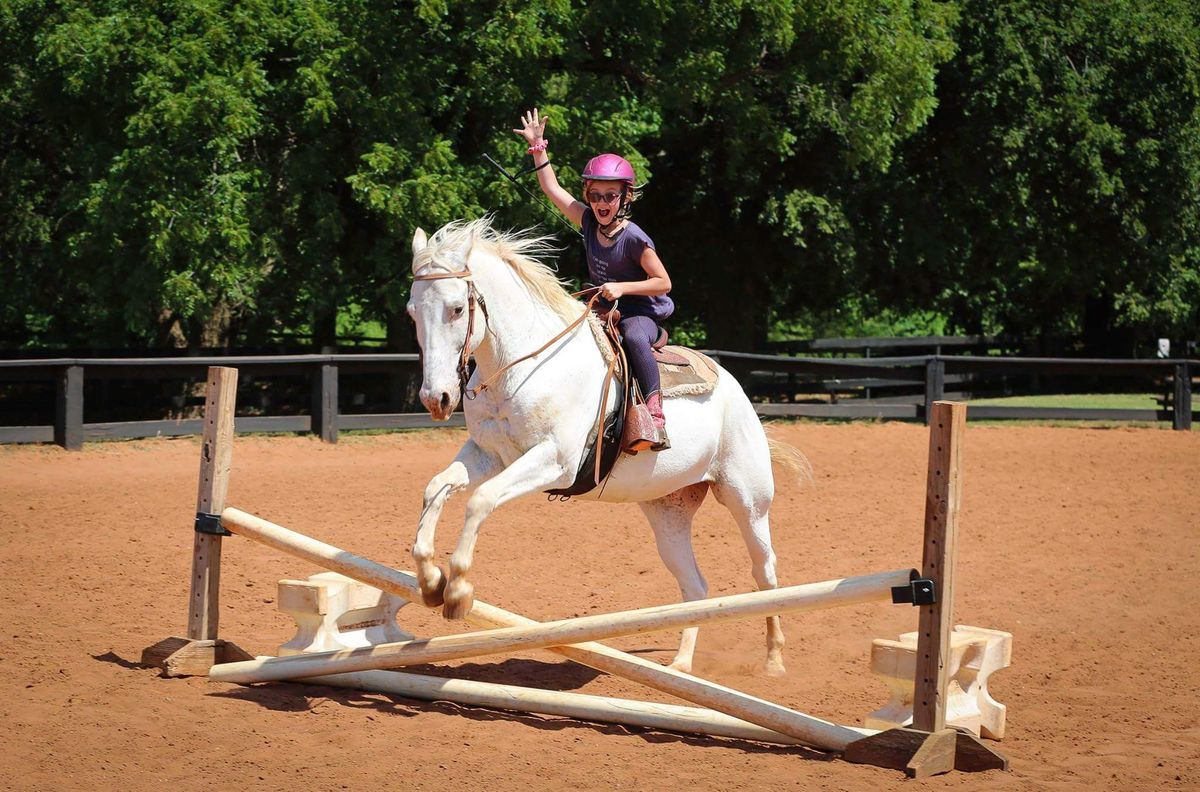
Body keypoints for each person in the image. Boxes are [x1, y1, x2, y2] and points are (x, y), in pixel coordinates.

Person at [513, 108, 673, 451]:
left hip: (640, 315)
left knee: (632, 334)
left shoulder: (635, 238)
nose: (602, 203)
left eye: (610, 196)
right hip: (602, 309)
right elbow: (552, 188)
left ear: (624, 197)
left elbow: (663, 282)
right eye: (596, 195)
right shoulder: (587, 221)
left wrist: (622, 288)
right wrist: (538, 147)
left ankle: (655, 411)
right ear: (588, 195)